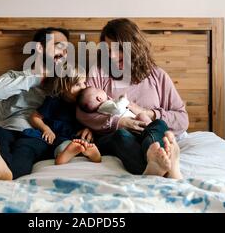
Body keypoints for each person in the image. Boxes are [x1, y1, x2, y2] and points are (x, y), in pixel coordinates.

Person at [0, 27, 92, 180]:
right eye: (59, 46)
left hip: (37, 136)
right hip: (8, 129)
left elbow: (83, 103)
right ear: (39, 48)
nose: (64, 53)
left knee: (25, 152)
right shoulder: (16, 77)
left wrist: (88, 126)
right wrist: (38, 78)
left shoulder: (65, 85)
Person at [76, 18, 189, 179]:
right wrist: (119, 123)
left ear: (134, 46)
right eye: (108, 50)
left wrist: (149, 113)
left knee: (159, 125)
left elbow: (182, 119)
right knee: (121, 136)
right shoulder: (99, 72)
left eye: (118, 49)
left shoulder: (157, 76)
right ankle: (165, 168)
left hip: (150, 133)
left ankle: (155, 162)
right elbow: (83, 112)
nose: (113, 56)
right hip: (119, 136)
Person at [25, 68, 101, 165]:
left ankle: (92, 154)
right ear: (63, 87)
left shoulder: (84, 103)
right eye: (77, 84)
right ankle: (63, 156)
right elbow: (34, 117)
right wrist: (46, 129)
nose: (83, 87)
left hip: (78, 135)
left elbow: (94, 120)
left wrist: (88, 129)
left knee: (86, 143)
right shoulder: (53, 101)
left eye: (84, 83)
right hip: (61, 137)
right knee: (64, 145)